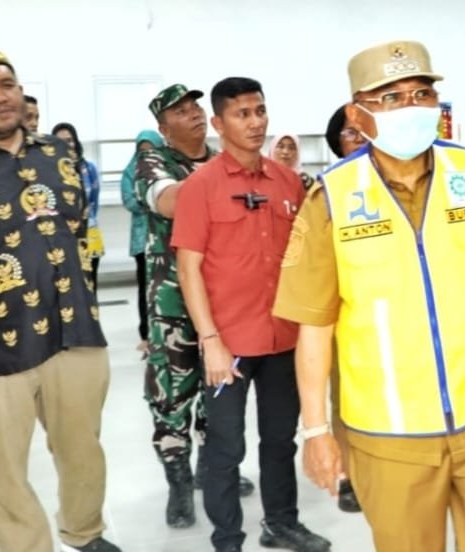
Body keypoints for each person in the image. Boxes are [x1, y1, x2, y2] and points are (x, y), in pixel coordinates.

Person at [276, 39, 465, 552]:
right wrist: (315, 431)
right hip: (388, 434)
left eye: (421, 93)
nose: (411, 107)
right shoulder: (332, 197)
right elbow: (315, 324)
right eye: (391, 97)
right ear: (357, 114)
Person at [0, 39, 117, 552]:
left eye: (7, 84)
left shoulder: (59, 156)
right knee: (2, 467)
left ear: (21, 92)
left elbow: (76, 235)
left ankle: (85, 533)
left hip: (75, 332)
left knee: (83, 451)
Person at [173, 76, 331, 552]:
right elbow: (188, 268)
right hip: (229, 344)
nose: (256, 122)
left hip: (283, 338)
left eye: (260, 110)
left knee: (280, 440)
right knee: (226, 449)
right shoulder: (200, 187)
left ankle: (281, 524)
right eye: (242, 114)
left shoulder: (287, 182)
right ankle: (228, 540)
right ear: (219, 124)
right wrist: (210, 341)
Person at [134, 83, 255, 529]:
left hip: (223, 299)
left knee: (218, 390)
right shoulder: (154, 160)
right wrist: (230, 182)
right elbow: (170, 201)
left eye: (196, 108)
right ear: (164, 127)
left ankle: (210, 467)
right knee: (173, 394)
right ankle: (179, 482)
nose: (194, 115)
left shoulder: (221, 159)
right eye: (181, 112)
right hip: (174, 302)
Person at [319, 104, 369, 515]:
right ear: (337, 143)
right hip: (346, 316)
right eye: (350, 134)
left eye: (364, 132)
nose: (360, 140)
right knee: (347, 397)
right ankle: (350, 474)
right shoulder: (329, 192)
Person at [121, 130, 163, 353]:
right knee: (145, 288)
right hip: (141, 240)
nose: (146, 155)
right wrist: (155, 201)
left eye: (151, 150)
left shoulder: (166, 168)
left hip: (165, 237)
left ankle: (164, 334)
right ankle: (146, 335)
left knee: (164, 287)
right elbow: (129, 200)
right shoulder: (131, 171)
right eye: (142, 151)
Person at [52, 122, 103, 296]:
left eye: (69, 140)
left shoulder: (89, 168)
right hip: (62, 235)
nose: (66, 145)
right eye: (60, 141)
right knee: (69, 287)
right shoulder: (49, 172)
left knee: (91, 284)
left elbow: (94, 200)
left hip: (90, 231)